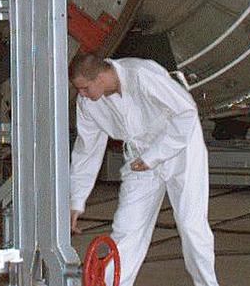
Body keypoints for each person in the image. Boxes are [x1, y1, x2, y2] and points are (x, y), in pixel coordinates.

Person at [68, 53, 218, 286]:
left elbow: (186, 112)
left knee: (191, 225)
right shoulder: (88, 104)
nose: (82, 94)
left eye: (85, 88)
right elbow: (86, 150)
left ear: (100, 76)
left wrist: (154, 156)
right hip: (139, 158)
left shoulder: (142, 74)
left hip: (180, 148)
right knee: (127, 228)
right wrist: (75, 201)